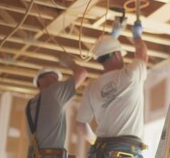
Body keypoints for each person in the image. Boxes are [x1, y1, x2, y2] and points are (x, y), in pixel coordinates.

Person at [76, 18, 148, 158]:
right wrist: (137, 36)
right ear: (117, 54)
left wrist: (96, 142)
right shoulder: (130, 75)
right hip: (125, 150)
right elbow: (142, 54)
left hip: (99, 151)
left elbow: (81, 125)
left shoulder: (91, 88)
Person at [26, 55, 88, 158]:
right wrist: (69, 62)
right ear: (51, 78)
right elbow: (82, 73)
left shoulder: (29, 105)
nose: (58, 82)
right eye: (56, 78)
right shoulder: (54, 92)